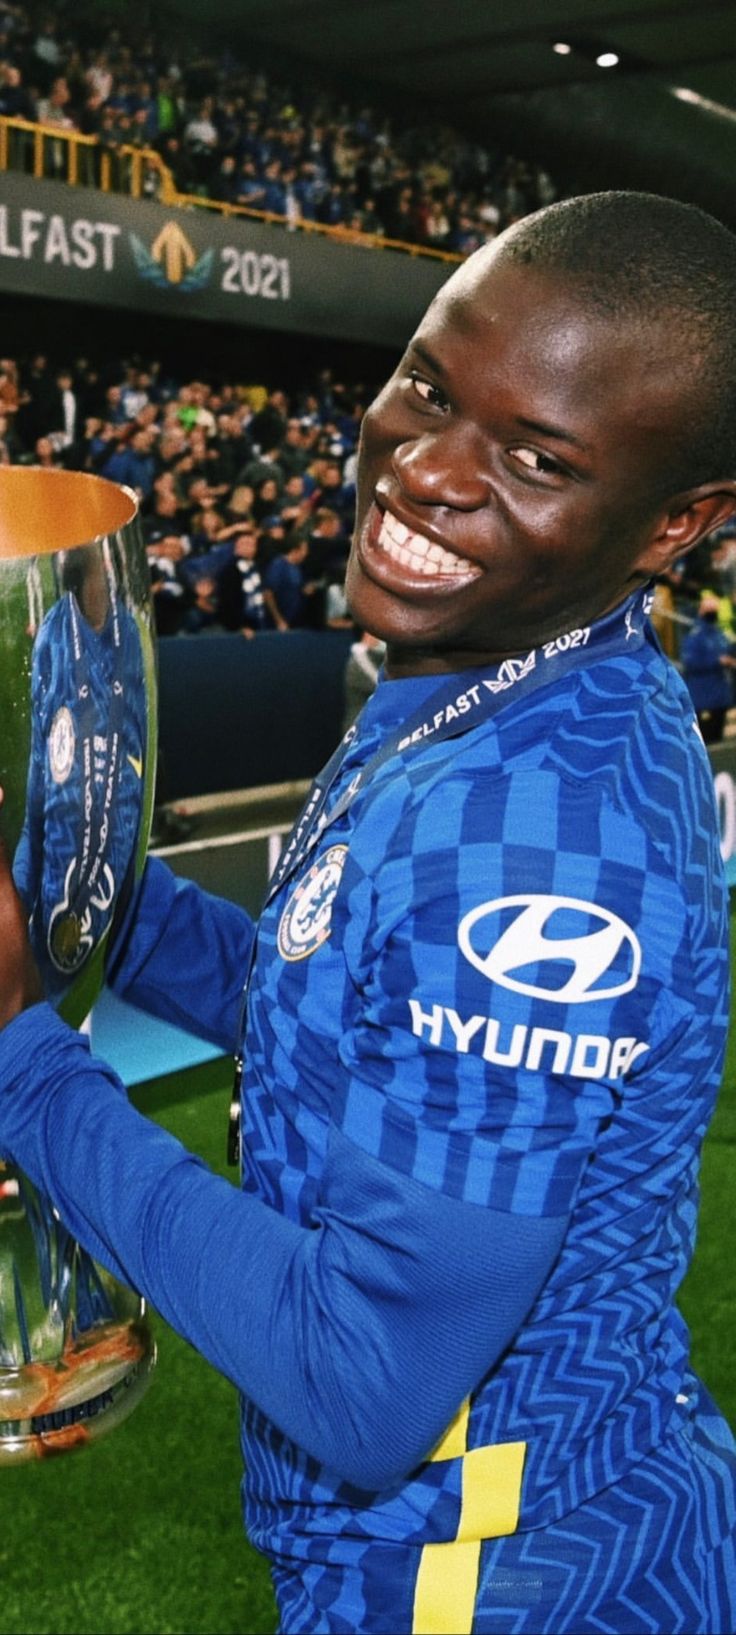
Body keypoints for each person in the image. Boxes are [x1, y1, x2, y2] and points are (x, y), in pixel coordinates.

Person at [1, 192, 736, 1635]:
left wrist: (24, 1055)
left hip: (497, 1581)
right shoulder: (491, 673)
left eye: (535, 457)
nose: (425, 472)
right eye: (427, 385)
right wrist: (79, 883)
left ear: (677, 525)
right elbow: (327, 1008)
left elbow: (360, 1378)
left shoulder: (543, 854)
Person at [681, 591, 736, 742]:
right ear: (701, 610)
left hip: (720, 697)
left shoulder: (719, 634)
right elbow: (690, 663)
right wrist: (717, 661)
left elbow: (729, 649)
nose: (713, 613)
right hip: (703, 696)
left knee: (717, 741)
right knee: (706, 742)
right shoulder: (695, 635)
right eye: (710, 610)